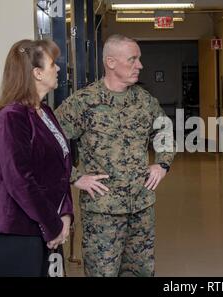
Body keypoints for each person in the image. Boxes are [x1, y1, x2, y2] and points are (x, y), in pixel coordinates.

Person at [54, 34, 176, 277]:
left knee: (142, 272)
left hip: (141, 208)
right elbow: (49, 142)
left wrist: (162, 164)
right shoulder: (83, 103)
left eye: (139, 59)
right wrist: (74, 176)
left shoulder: (144, 101)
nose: (140, 65)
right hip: (102, 212)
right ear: (110, 62)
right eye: (133, 59)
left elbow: (165, 129)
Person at [0, 39, 74, 277]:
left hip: (50, 228)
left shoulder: (45, 112)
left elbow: (61, 171)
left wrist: (65, 214)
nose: (58, 69)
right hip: (18, 233)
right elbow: (19, 181)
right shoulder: (11, 117)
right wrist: (54, 225)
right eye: (53, 64)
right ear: (36, 73)